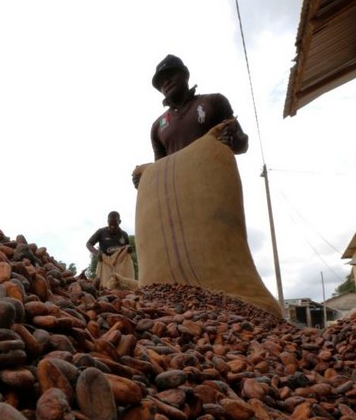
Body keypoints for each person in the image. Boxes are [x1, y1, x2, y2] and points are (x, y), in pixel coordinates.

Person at [133, 54, 248, 187]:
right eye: (161, 82)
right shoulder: (157, 127)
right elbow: (162, 170)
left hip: (216, 188)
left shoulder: (214, 102)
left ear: (185, 74)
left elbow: (243, 145)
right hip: (180, 194)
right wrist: (146, 178)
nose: (165, 82)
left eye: (170, 74)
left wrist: (234, 139)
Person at [86, 211, 136, 289]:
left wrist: (129, 249)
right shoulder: (101, 232)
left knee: (123, 287)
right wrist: (97, 252)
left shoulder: (124, 235)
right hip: (105, 262)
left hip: (120, 264)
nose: (112, 227)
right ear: (107, 221)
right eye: (110, 224)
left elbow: (128, 249)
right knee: (105, 287)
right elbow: (88, 244)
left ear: (119, 222)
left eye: (115, 224)